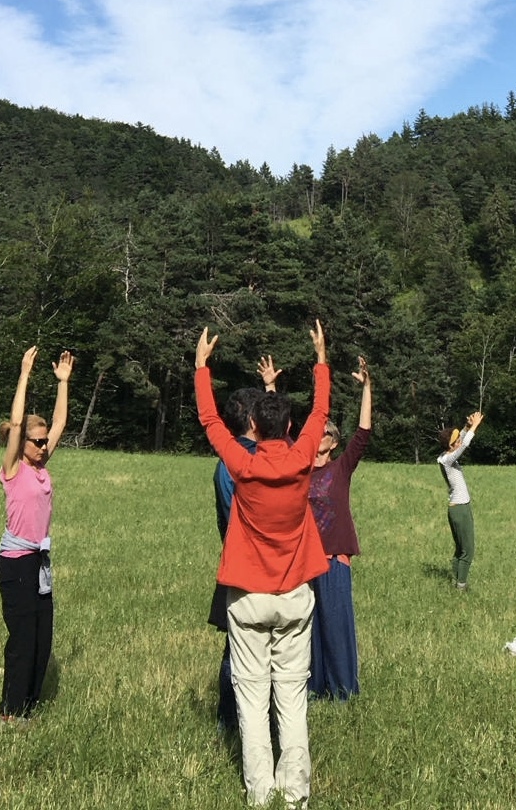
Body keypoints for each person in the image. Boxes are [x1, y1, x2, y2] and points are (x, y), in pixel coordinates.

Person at [195, 321, 330, 808]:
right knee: (291, 698)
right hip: (293, 595)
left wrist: (201, 366)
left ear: (254, 426)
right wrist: (320, 358)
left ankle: (259, 792)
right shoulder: (302, 458)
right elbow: (321, 410)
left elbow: (210, 420)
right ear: (290, 429)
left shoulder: (242, 464)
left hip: (248, 596)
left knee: (252, 699)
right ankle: (295, 793)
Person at [0, 343, 74, 721]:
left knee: (42, 640)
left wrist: (62, 382)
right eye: (36, 442)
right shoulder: (13, 469)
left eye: (44, 442)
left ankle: (28, 707)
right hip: (16, 564)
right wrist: (24, 375)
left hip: (39, 563)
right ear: (22, 442)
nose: (43, 446)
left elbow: (59, 424)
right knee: (23, 640)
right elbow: (17, 422)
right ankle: (10, 712)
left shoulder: (41, 466)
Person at [306, 355, 372, 699]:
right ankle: (314, 688)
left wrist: (367, 388)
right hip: (304, 561)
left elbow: (363, 433)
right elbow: (275, 436)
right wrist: (270, 388)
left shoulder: (341, 468)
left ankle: (344, 690)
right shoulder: (298, 470)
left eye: (326, 432)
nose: (319, 435)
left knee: (336, 625)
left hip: (333, 559)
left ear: (333, 442)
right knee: (308, 628)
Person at [208, 386, 259, 733]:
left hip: (240, 563)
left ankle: (235, 720)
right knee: (238, 648)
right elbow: (236, 519)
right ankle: (230, 721)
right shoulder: (239, 462)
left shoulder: (228, 461)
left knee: (238, 646)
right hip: (248, 566)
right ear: (254, 420)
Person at [437, 411, 483, 589]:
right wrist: (475, 426)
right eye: (455, 441)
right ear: (450, 446)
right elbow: (464, 444)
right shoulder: (448, 459)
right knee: (468, 551)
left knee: (460, 549)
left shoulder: (444, 457)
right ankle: (461, 587)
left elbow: (460, 440)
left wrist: (467, 426)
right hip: (460, 509)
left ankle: (456, 581)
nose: (459, 441)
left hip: (457, 508)